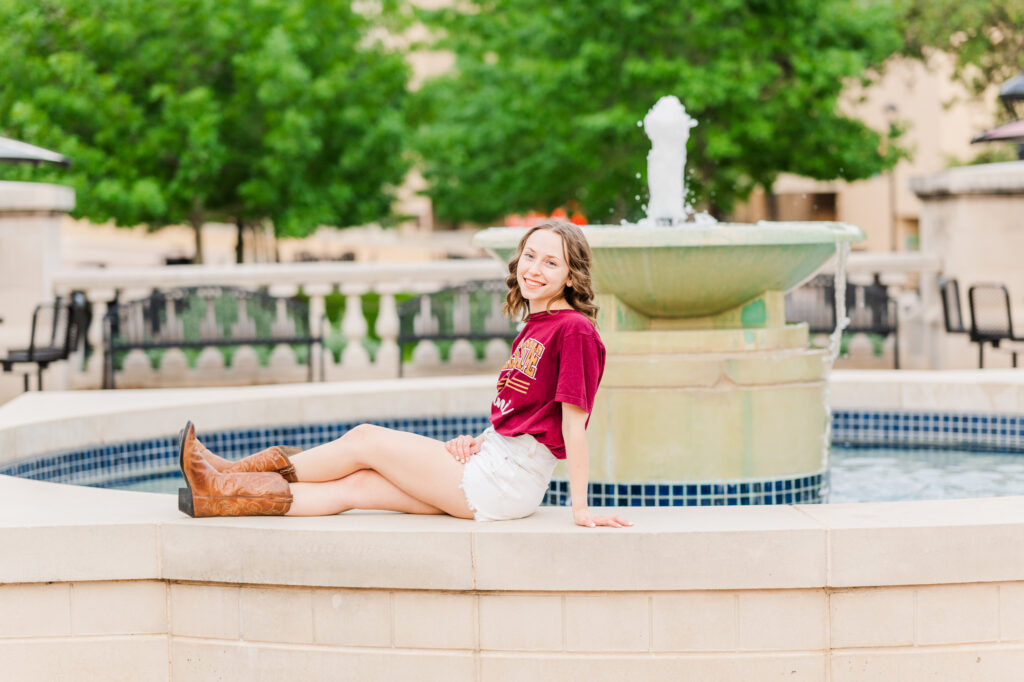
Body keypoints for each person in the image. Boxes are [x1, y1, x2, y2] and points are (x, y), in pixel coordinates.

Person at [177, 221, 632, 529]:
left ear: (572, 275)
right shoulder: (537, 324)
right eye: (530, 256)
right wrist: (479, 439)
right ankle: (219, 496)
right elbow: (525, 414)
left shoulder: (573, 330)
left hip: (506, 482)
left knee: (364, 440)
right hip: (493, 462)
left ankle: (227, 474)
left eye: (551, 263)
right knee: (355, 487)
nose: (534, 269)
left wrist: (580, 507)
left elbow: (574, 424)